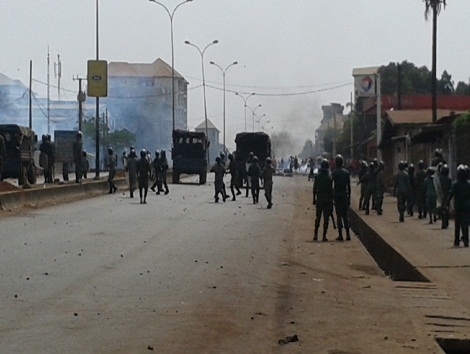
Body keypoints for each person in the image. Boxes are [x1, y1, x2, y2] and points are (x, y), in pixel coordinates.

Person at [446, 165, 470, 247]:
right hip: (467, 207)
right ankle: (466, 240)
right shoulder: (468, 184)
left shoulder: (456, 184)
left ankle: (456, 241)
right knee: (465, 224)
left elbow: (450, 194)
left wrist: (447, 204)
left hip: (458, 207)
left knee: (457, 225)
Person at [331, 154, 351, 241]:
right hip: (344, 195)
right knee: (345, 216)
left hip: (337, 195)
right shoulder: (346, 173)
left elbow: (330, 185)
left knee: (339, 216)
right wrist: (349, 197)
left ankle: (340, 235)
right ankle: (348, 235)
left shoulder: (334, 173)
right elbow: (349, 186)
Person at [313, 159, 333, 242]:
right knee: (326, 219)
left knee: (318, 218)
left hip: (319, 199)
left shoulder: (317, 176)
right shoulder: (329, 177)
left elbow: (314, 188)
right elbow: (331, 191)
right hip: (327, 200)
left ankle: (315, 235)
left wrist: (314, 199)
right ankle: (324, 236)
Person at [439, 164, 452, 229]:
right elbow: (450, 188)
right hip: (447, 196)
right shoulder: (449, 179)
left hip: (441, 195)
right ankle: (446, 222)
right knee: (446, 208)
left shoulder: (440, 179)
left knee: (442, 209)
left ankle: (443, 222)